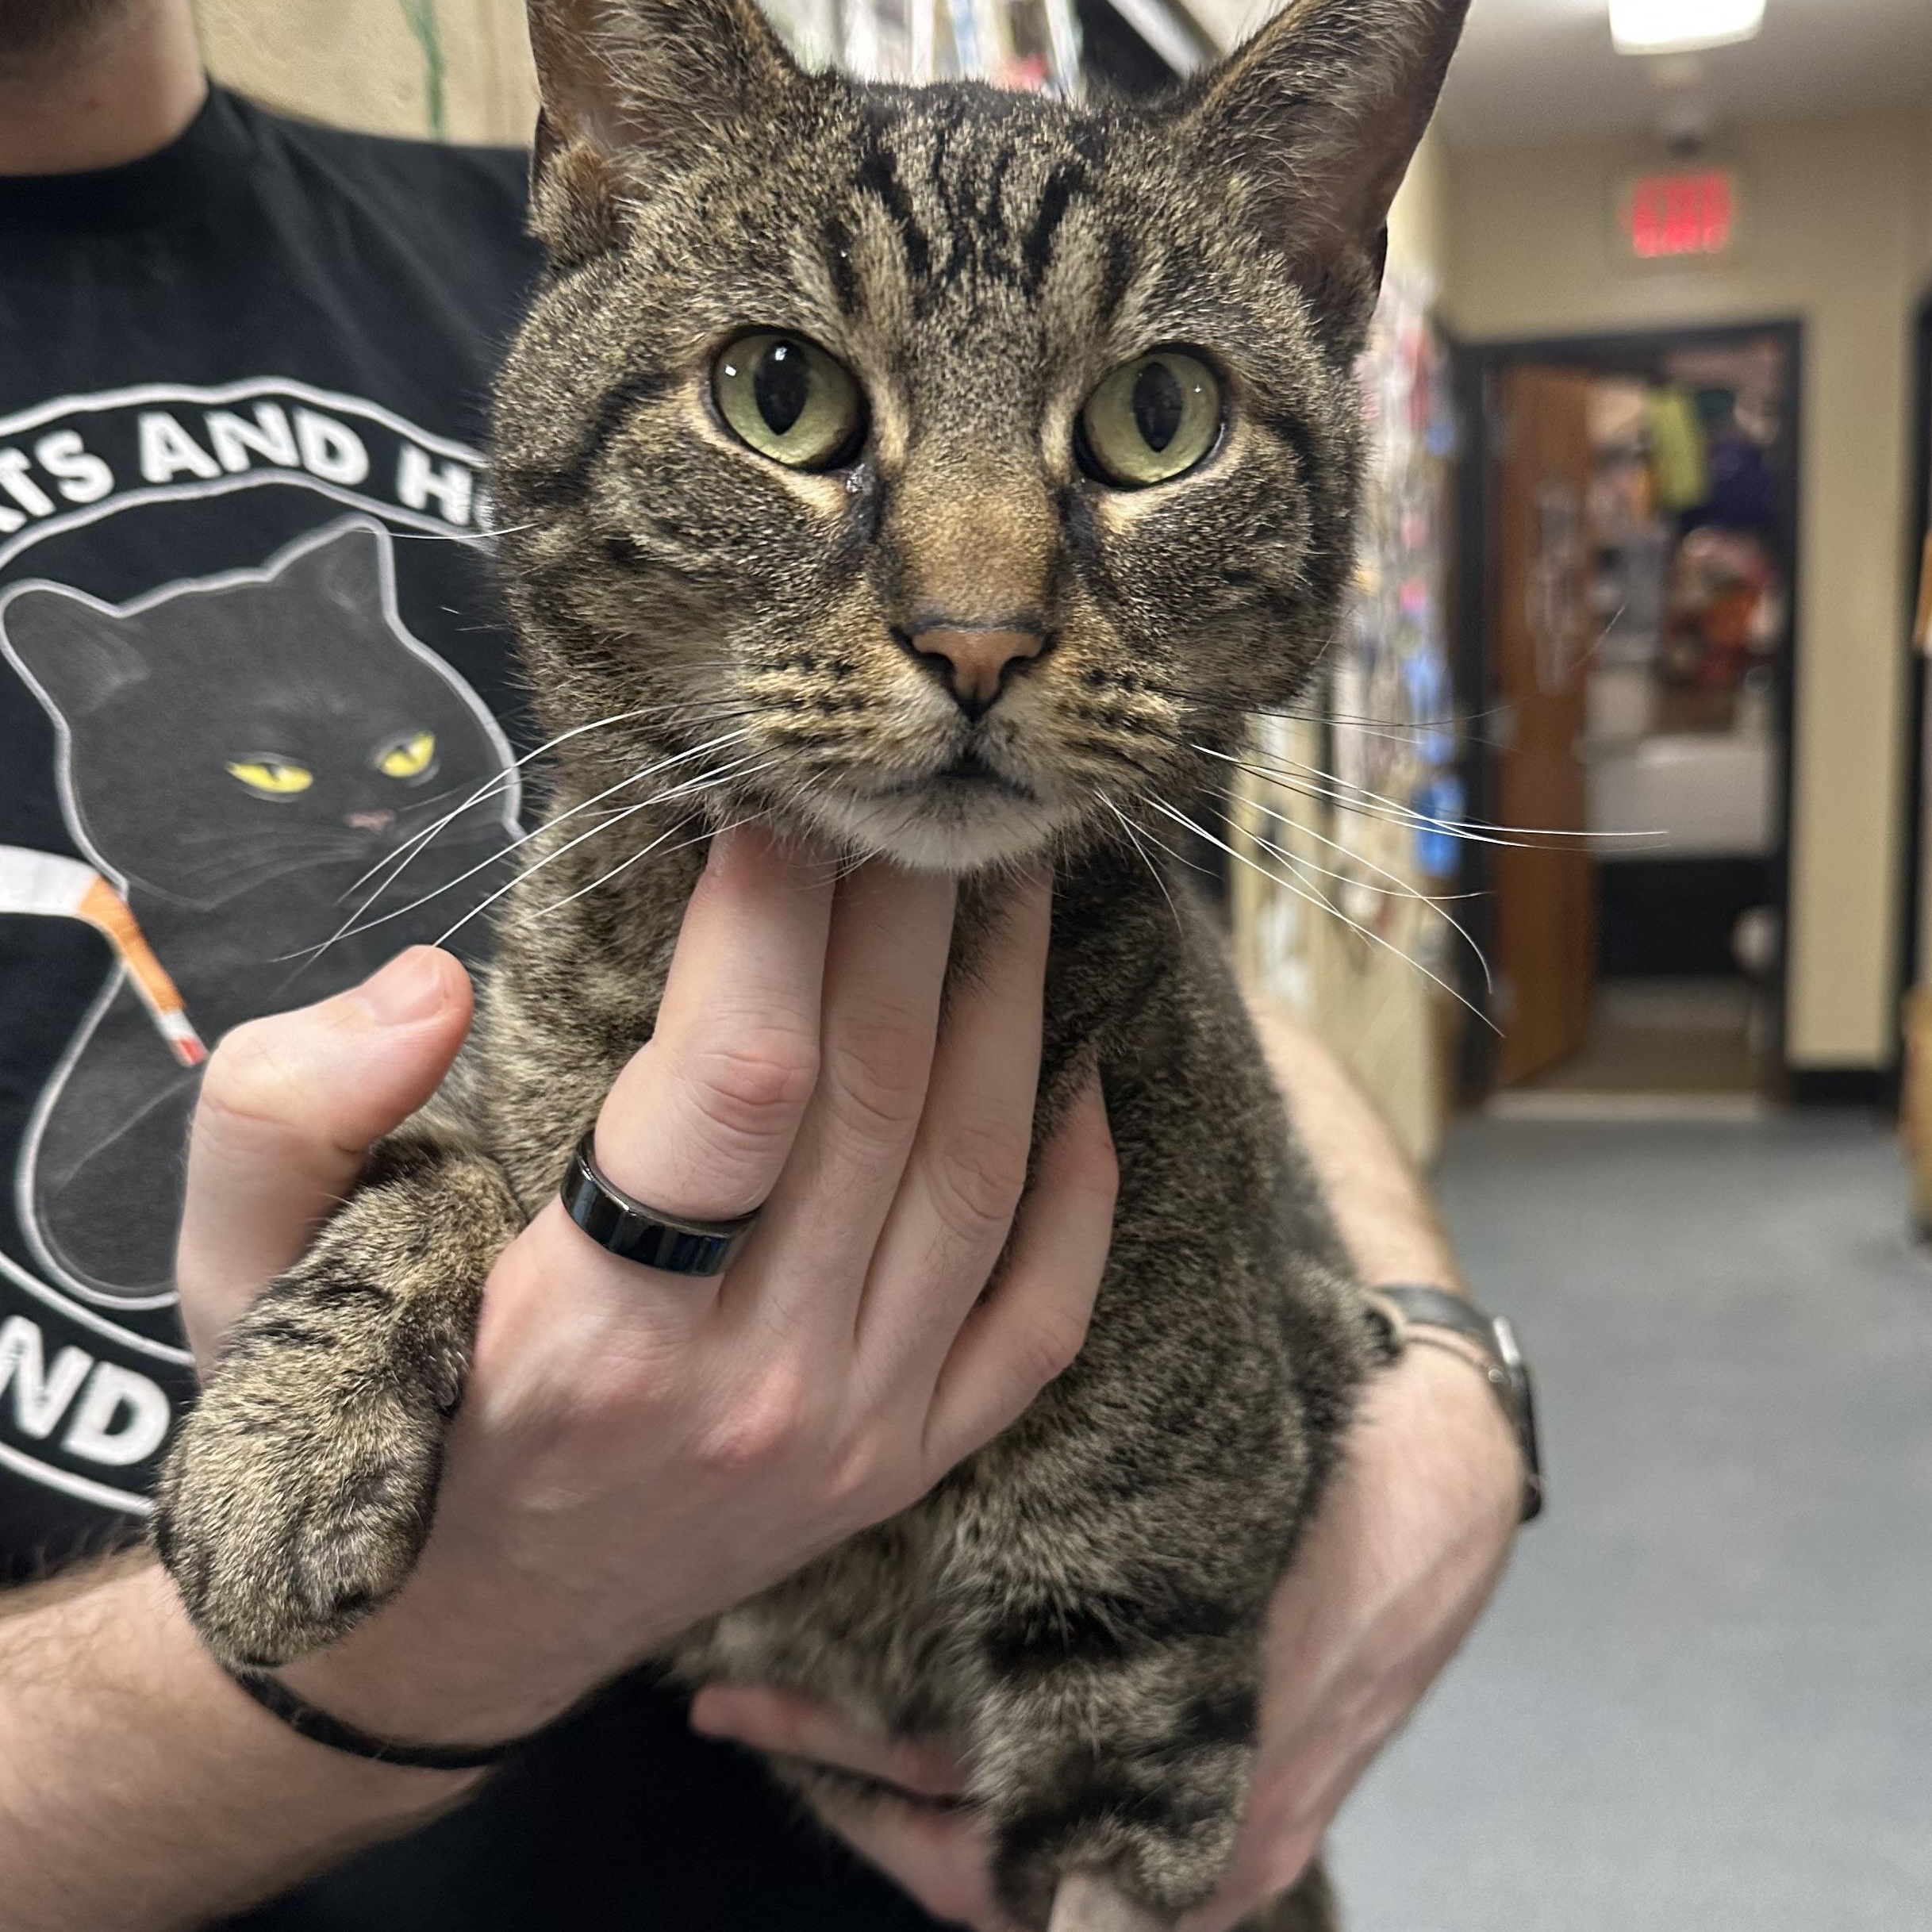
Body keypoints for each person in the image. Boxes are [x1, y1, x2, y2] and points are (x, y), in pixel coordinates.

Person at [0, 2, 1525, 1927]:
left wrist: (1450, 1391)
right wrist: (420, 1625)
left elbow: (1249, 1070)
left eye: (1154, 421)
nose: (980, 614)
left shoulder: (520, 210)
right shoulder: (649, 262)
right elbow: (494, 1151)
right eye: (792, 397)